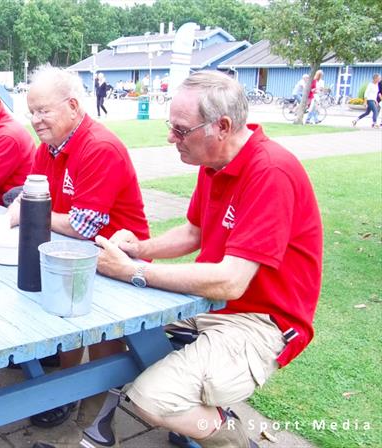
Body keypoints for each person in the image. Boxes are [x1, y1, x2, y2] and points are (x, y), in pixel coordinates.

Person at [87, 71, 322, 448]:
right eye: (171, 126)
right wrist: (140, 248)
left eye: (180, 130)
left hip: (263, 320)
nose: (170, 137)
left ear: (222, 127)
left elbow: (230, 281)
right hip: (217, 303)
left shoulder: (271, 172)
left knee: (151, 399)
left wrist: (134, 270)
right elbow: (194, 231)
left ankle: (234, 438)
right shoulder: (215, 162)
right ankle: (194, 418)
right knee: (115, 320)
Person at [0, 65, 149, 429]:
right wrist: (11, 216)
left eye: (44, 110)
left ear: (73, 106)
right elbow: (32, 195)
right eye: (32, 111)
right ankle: (65, 391)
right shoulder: (51, 147)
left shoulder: (98, 147)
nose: (36, 120)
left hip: (117, 260)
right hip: (75, 254)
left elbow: (82, 224)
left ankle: (96, 414)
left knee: (105, 337)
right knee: (59, 314)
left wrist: (25, 214)